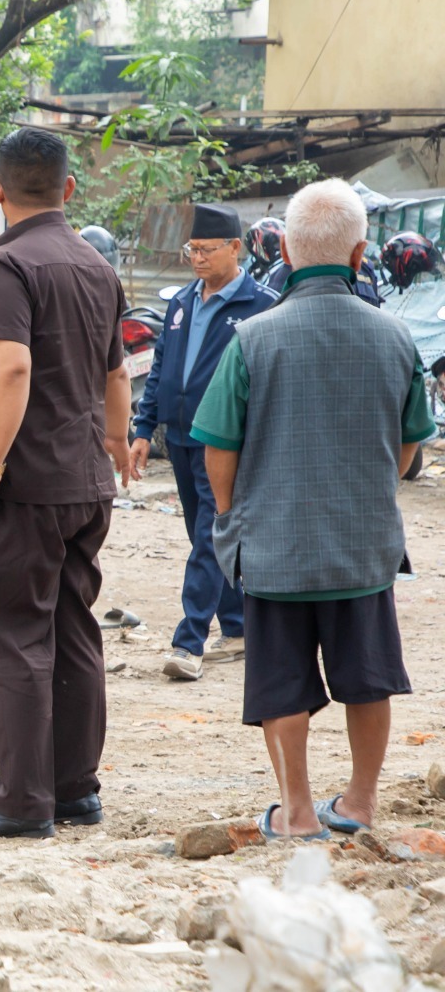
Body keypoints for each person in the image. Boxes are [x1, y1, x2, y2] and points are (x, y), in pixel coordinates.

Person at [193, 177, 432, 840]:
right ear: (361, 256)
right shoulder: (395, 337)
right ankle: (358, 803)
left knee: (281, 684)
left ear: (288, 256)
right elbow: (412, 444)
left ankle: (296, 812)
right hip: (363, 546)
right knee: (368, 678)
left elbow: (219, 449)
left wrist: (230, 517)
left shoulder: (253, 338)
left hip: (275, 548)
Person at [0, 128, 133, 839]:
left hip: (23, 485)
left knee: (15, 636)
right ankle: (75, 787)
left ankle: (23, 802)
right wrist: (113, 442)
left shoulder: (4, 265)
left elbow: (12, 367)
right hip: (85, 478)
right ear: (69, 190)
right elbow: (117, 374)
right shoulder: (94, 264)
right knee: (73, 629)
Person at [131, 204, 278, 681]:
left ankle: (188, 641)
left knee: (208, 537)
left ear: (235, 248)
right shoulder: (181, 303)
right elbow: (160, 369)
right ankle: (236, 629)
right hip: (178, 436)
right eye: (191, 250)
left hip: (226, 440)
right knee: (209, 534)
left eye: (206, 250)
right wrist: (141, 427)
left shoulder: (262, 306)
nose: (196, 259)